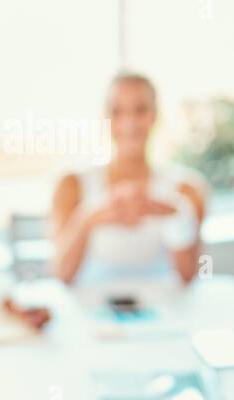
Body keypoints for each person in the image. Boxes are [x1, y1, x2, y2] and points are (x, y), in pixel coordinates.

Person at [50, 73, 208, 286]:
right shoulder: (71, 186)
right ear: (106, 118)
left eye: (140, 110)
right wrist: (89, 219)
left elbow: (198, 273)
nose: (129, 123)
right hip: (91, 313)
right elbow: (60, 274)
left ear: (155, 115)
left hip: (166, 311)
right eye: (117, 112)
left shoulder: (188, 190)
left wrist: (176, 215)